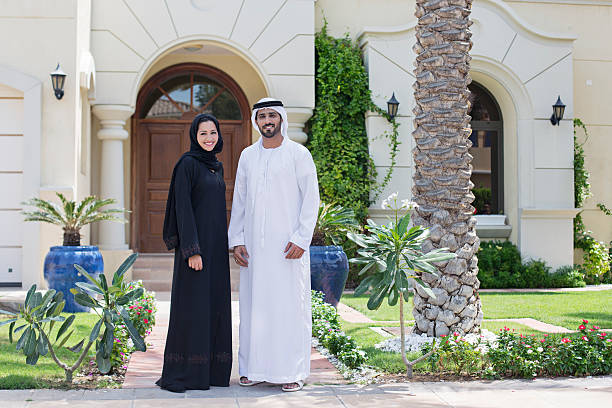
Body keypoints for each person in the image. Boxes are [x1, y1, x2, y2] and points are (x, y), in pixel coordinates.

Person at [228, 97, 319, 392]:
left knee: (288, 308)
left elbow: (311, 199)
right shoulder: (247, 156)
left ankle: (291, 371)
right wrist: (237, 240)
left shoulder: (298, 154)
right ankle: (253, 368)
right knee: (255, 308)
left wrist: (301, 238)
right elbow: (239, 201)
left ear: (281, 119)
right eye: (262, 116)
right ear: (256, 121)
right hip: (254, 248)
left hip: (288, 248)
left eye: (272, 116)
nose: (267, 121)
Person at [157, 113, 232, 393]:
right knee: (193, 310)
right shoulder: (187, 164)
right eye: (203, 134)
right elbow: (183, 208)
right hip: (197, 251)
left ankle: (212, 372)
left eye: (213, 133)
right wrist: (191, 250)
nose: (209, 138)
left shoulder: (217, 167)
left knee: (214, 308)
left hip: (216, 251)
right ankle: (187, 373)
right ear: (194, 136)